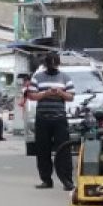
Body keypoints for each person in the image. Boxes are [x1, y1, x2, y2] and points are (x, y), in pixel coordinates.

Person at [27, 53, 75, 191]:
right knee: (42, 150)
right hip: (42, 119)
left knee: (64, 150)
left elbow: (71, 96)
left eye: (55, 65)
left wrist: (60, 93)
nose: (53, 68)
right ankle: (46, 180)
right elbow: (31, 95)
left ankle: (67, 180)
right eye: (50, 65)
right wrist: (45, 94)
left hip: (59, 118)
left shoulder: (65, 78)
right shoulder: (37, 77)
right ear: (46, 65)